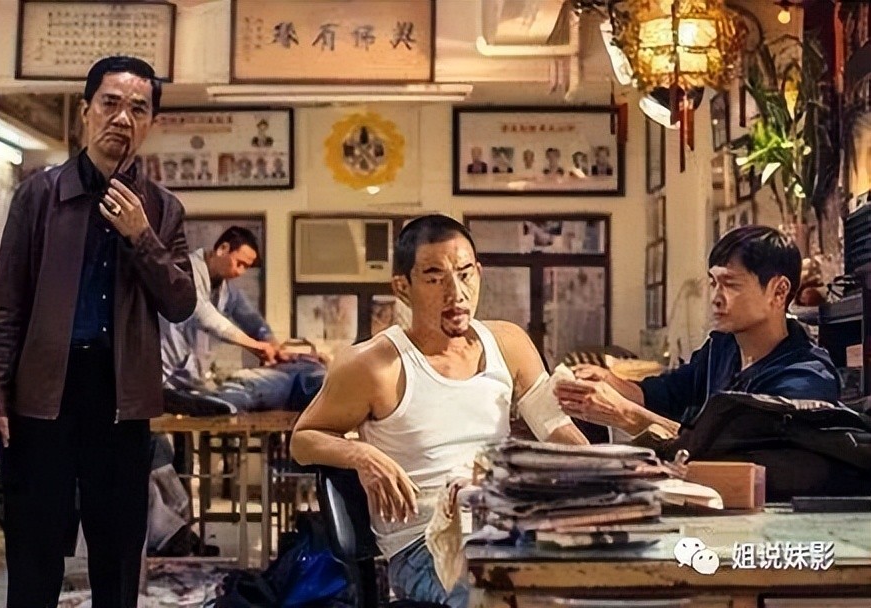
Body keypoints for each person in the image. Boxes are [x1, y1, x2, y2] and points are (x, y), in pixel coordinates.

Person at [0, 56, 196, 608]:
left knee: (117, 566)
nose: (122, 118)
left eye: (138, 109)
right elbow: (7, 308)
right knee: (34, 562)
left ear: (151, 122)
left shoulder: (163, 209)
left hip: (121, 403)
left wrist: (142, 237)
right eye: (110, 104)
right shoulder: (38, 196)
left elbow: (181, 303)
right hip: (42, 398)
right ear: (85, 111)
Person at [291, 215, 588, 607]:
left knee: (604, 578)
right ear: (403, 287)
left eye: (465, 275)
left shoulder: (509, 343)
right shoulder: (374, 365)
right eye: (434, 278)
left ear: (478, 273)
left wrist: (617, 482)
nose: (456, 293)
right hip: (423, 547)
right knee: (504, 598)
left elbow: (555, 426)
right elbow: (303, 440)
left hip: (503, 525)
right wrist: (362, 455)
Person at [555, 225, 840, 437]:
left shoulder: (805, 379)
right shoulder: (722, 348)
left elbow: (733, 457)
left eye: (731, 284)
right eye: (714, 283)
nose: (715, 298)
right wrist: (610, 381)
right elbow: (668, 393)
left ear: (779, 292)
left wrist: (627, 416)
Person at [161, 226, 279, 387]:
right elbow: (205, 316)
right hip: (159, 370)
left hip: (187, 379)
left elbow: (253, 321)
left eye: (246, 267)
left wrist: (274, 345)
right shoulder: (183, 271)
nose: (240, 272)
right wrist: (254, 346)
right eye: (239, 263)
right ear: (223, 249)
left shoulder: (226, 290)